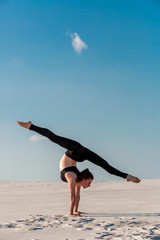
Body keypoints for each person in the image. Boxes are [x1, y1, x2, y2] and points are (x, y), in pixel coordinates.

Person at [17, 121, 140, 215]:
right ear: (84, 178)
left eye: (89, 183)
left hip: (76, 151)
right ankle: (127, 176)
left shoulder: (72, 178)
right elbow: (76, 197)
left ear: (84, 178)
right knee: (105, 165)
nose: (89, 185)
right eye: (89, 182)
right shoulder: (77, 178)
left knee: (105, 166)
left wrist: (71, 213)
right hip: (79, 151)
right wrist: (75, 211)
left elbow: (73, 197)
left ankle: (30, 126)